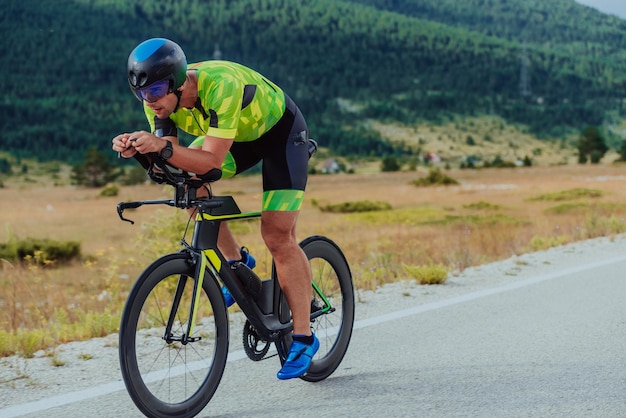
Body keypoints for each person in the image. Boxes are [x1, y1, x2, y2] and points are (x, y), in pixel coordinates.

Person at [112, 38, 318, 380]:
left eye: (157, 91)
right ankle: (238, 262)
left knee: (277, 236)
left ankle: (303, 338)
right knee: (189, 187)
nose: (150, 101)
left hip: (281, 137)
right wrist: (143, 153)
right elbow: (174, 167)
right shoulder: (157, 103)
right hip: (237, 139)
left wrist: (160, 147)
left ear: (177, 82)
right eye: (142, 95)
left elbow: (211, 163)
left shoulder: (220, 85)